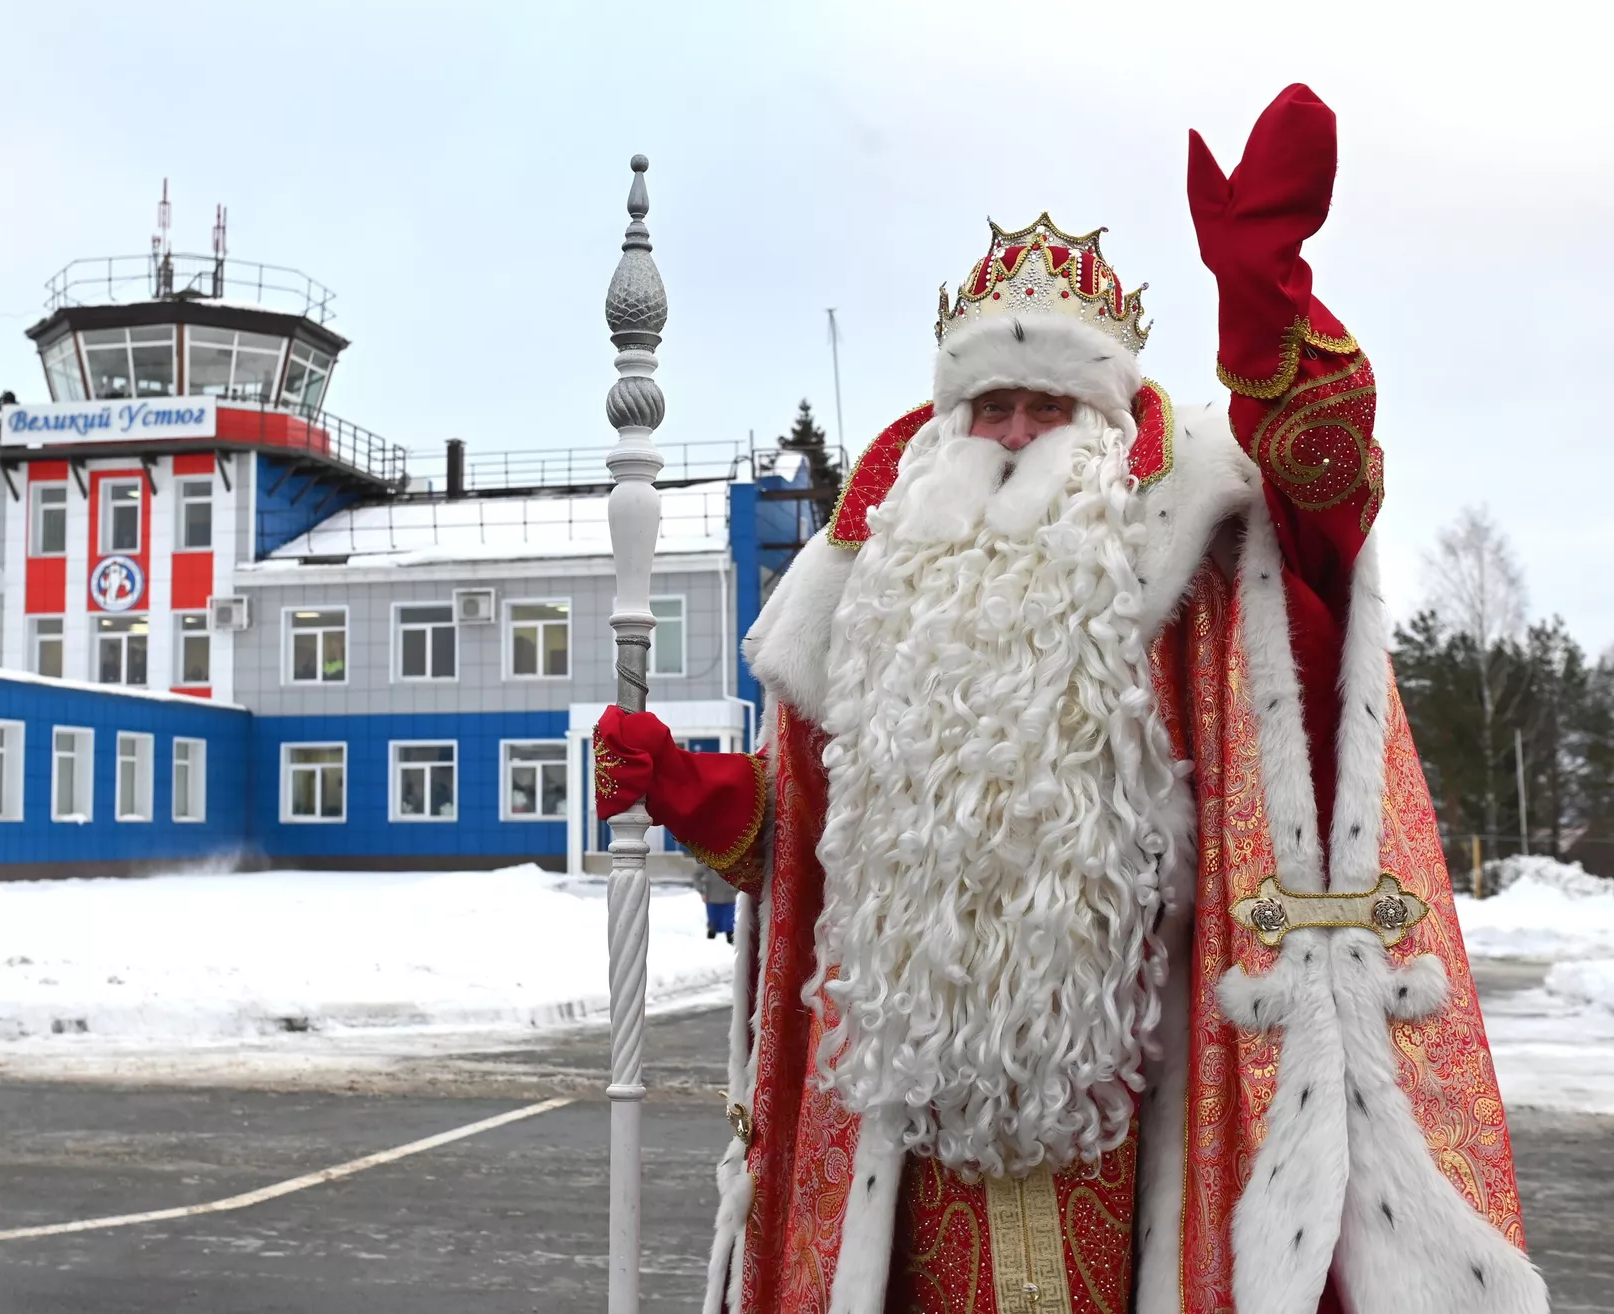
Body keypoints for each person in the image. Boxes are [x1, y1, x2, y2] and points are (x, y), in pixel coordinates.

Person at [593, 86, 1544, 1314]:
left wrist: (1269, 325)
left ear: (1103, 426)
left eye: (1049, 408)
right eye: (991, 405)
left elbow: (1325, 534)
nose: (1015, 434)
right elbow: (806, 838)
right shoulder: (881, 577)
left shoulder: (1187, 557)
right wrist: (690, 788)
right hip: (915, 1134)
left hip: (1143, 1111)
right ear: (950, 419)